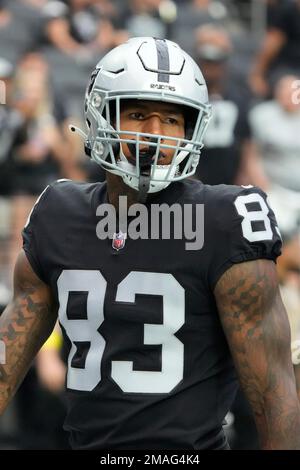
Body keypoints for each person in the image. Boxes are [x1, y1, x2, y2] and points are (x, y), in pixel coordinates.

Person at [0, 37, 300, 450]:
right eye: (138, 114)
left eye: (173, 120)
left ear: (192, 129)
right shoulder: (59, 212)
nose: (156, 135)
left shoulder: (225, 219)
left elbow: (273, 390)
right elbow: (5, 359)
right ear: (100, 115)